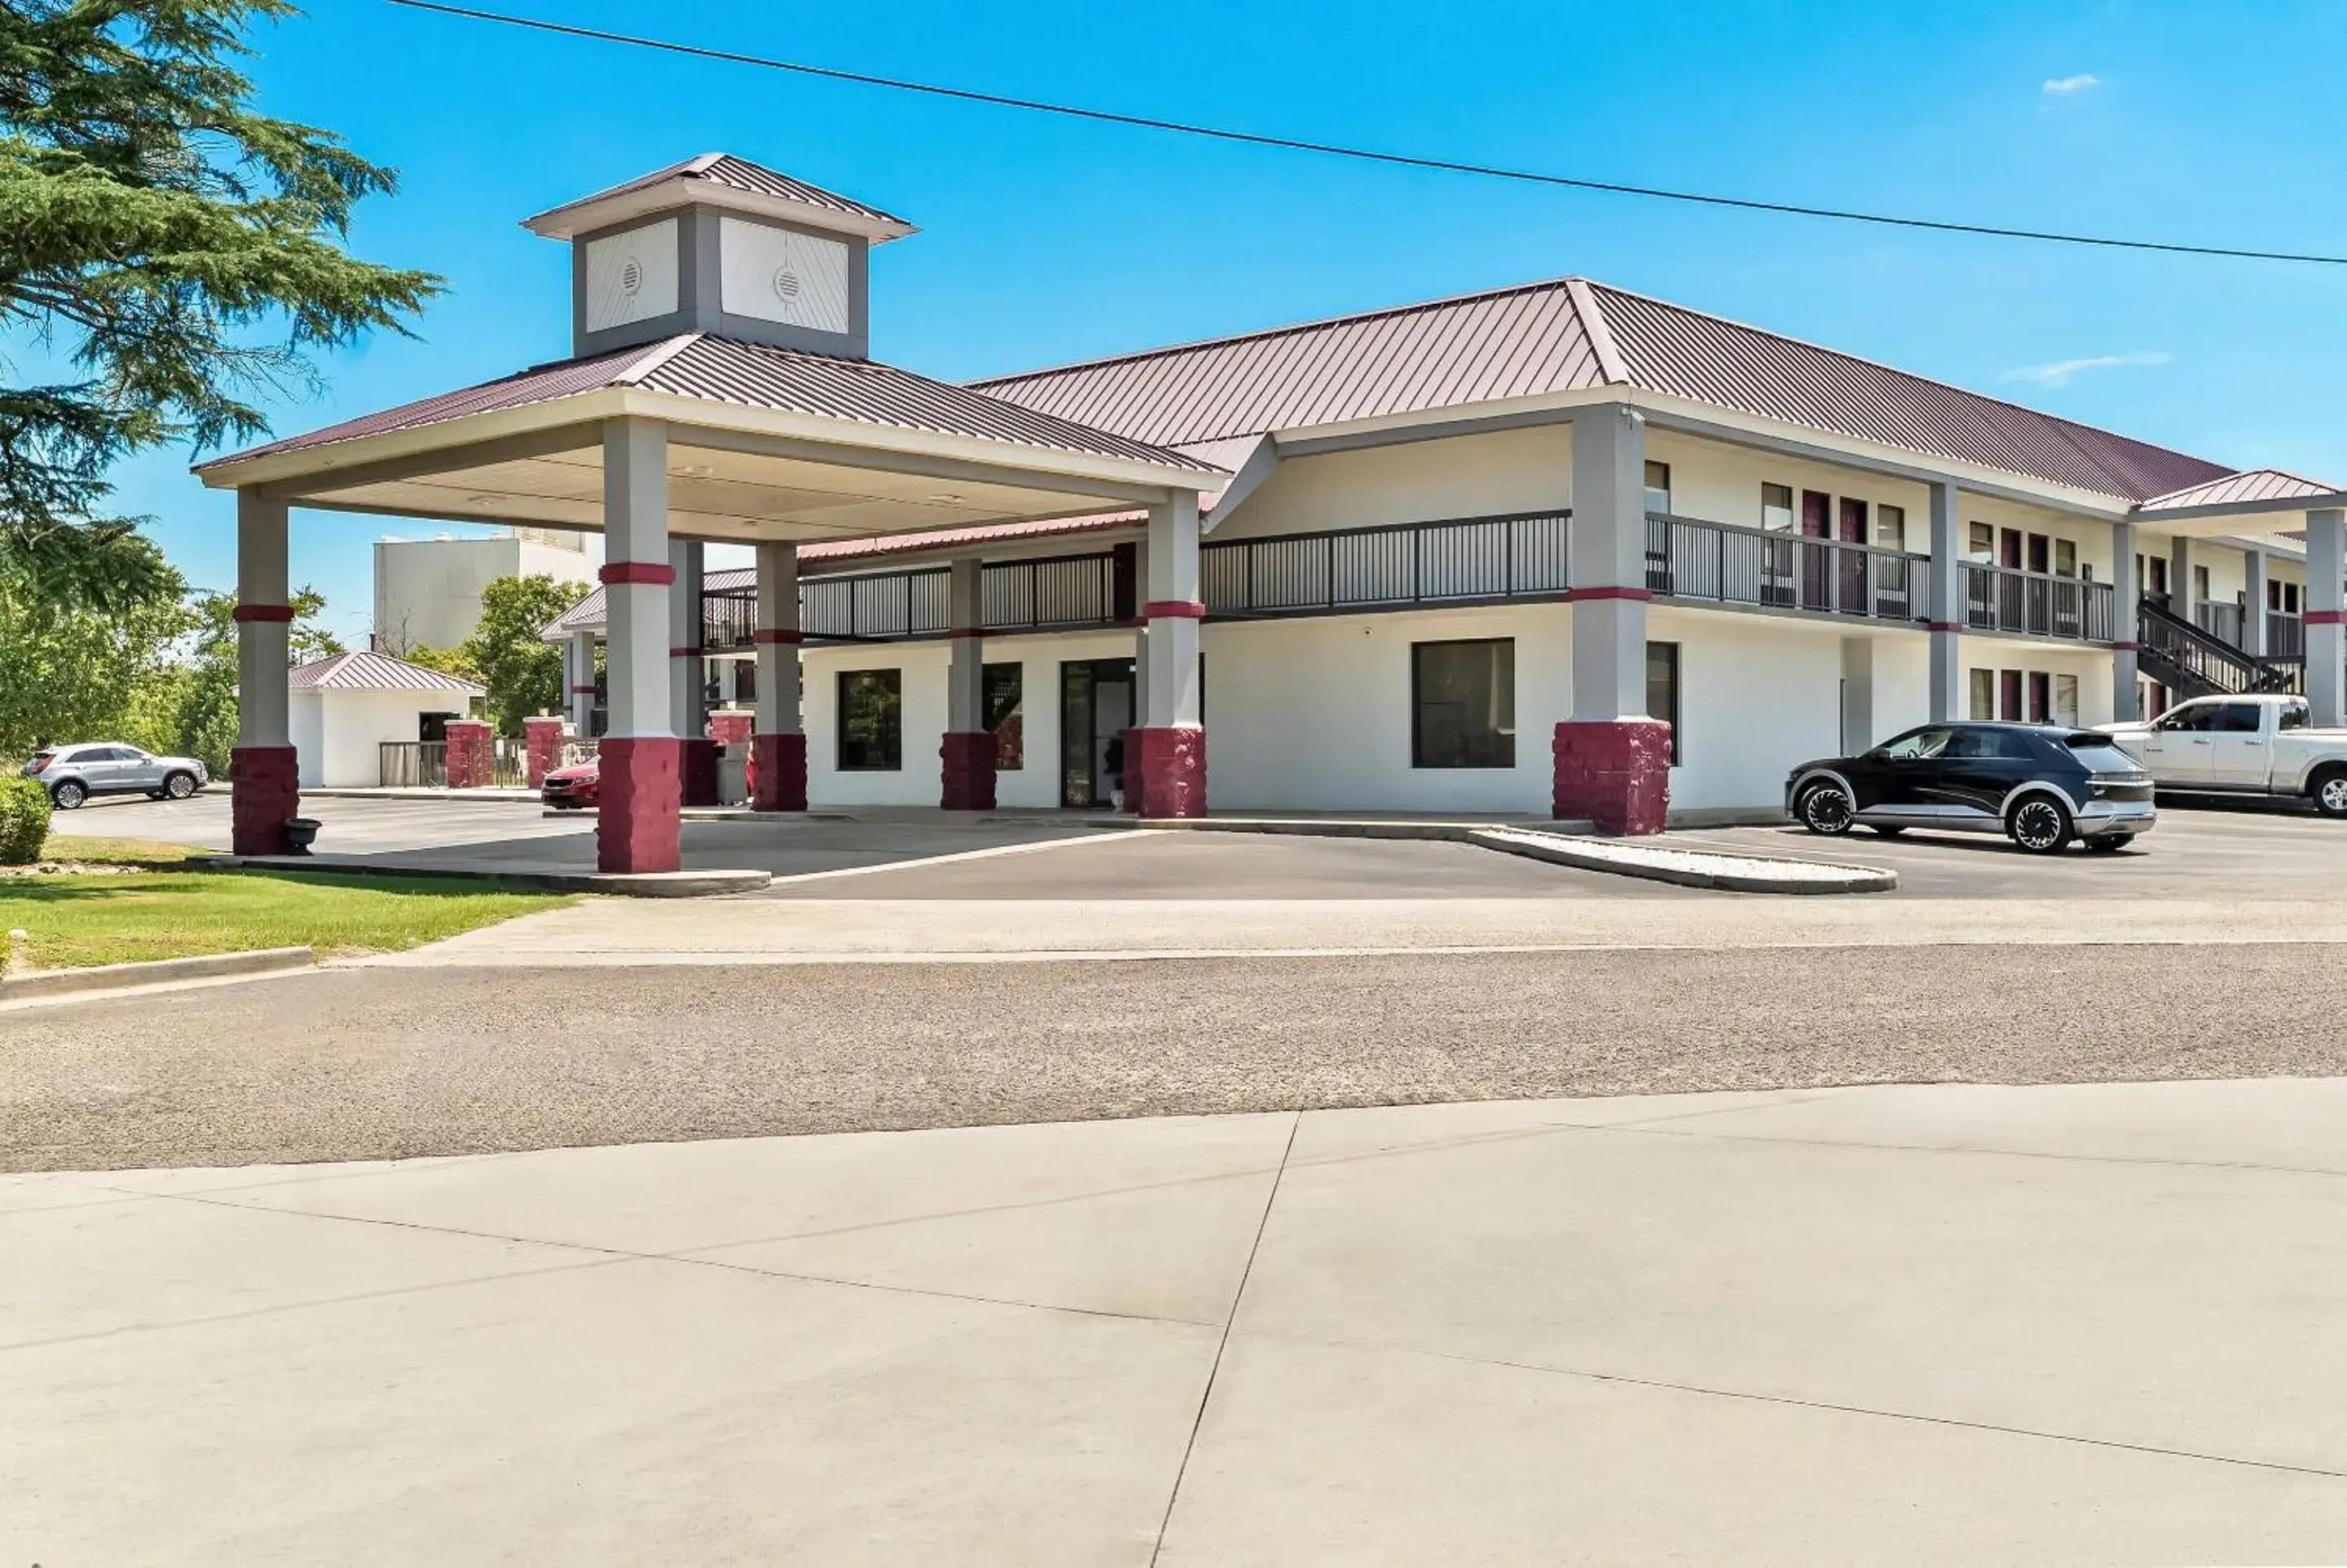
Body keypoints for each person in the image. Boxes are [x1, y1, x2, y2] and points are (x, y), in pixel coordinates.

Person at [1103, 733, 1125, 812]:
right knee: (1120, 787)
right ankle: (1120, 804)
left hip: (1115, 769)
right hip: (1121, 769)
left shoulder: (1112, 750)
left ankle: (1119, 805)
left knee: (1117, 787)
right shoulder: (1124, 749)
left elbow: (1107, 755)